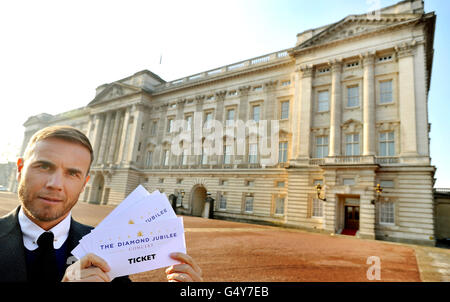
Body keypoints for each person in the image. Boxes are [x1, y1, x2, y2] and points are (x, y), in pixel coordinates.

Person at [0, 125, 203, 282]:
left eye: (72, 173)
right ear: (20, 169)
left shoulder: (106, 245)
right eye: (44, 166)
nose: (55, 185)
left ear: (84, 184)